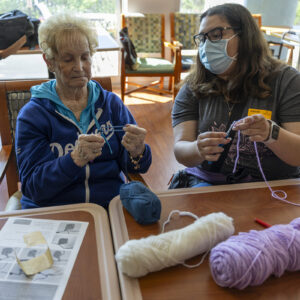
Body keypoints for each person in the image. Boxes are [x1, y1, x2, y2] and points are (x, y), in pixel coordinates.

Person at [15, 13, 152, 209]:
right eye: (68, 59)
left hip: (108, 208)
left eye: (85, 57)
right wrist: (74, 160)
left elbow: (137, 167)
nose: (79, 67)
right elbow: (33, 187)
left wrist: (138, 152)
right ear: (50, 61)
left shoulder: (111, 104)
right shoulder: (33, 116)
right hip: (54, 211)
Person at [171, 3, 300, 187]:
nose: (207, 46)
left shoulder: (286, 81)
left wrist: (271, 133)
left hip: (271, 188)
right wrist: (197, 149)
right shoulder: (194, 85)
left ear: (245, 36)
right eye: (202, 39)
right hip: (208, 185)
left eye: (216, 35)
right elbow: (180, 149)